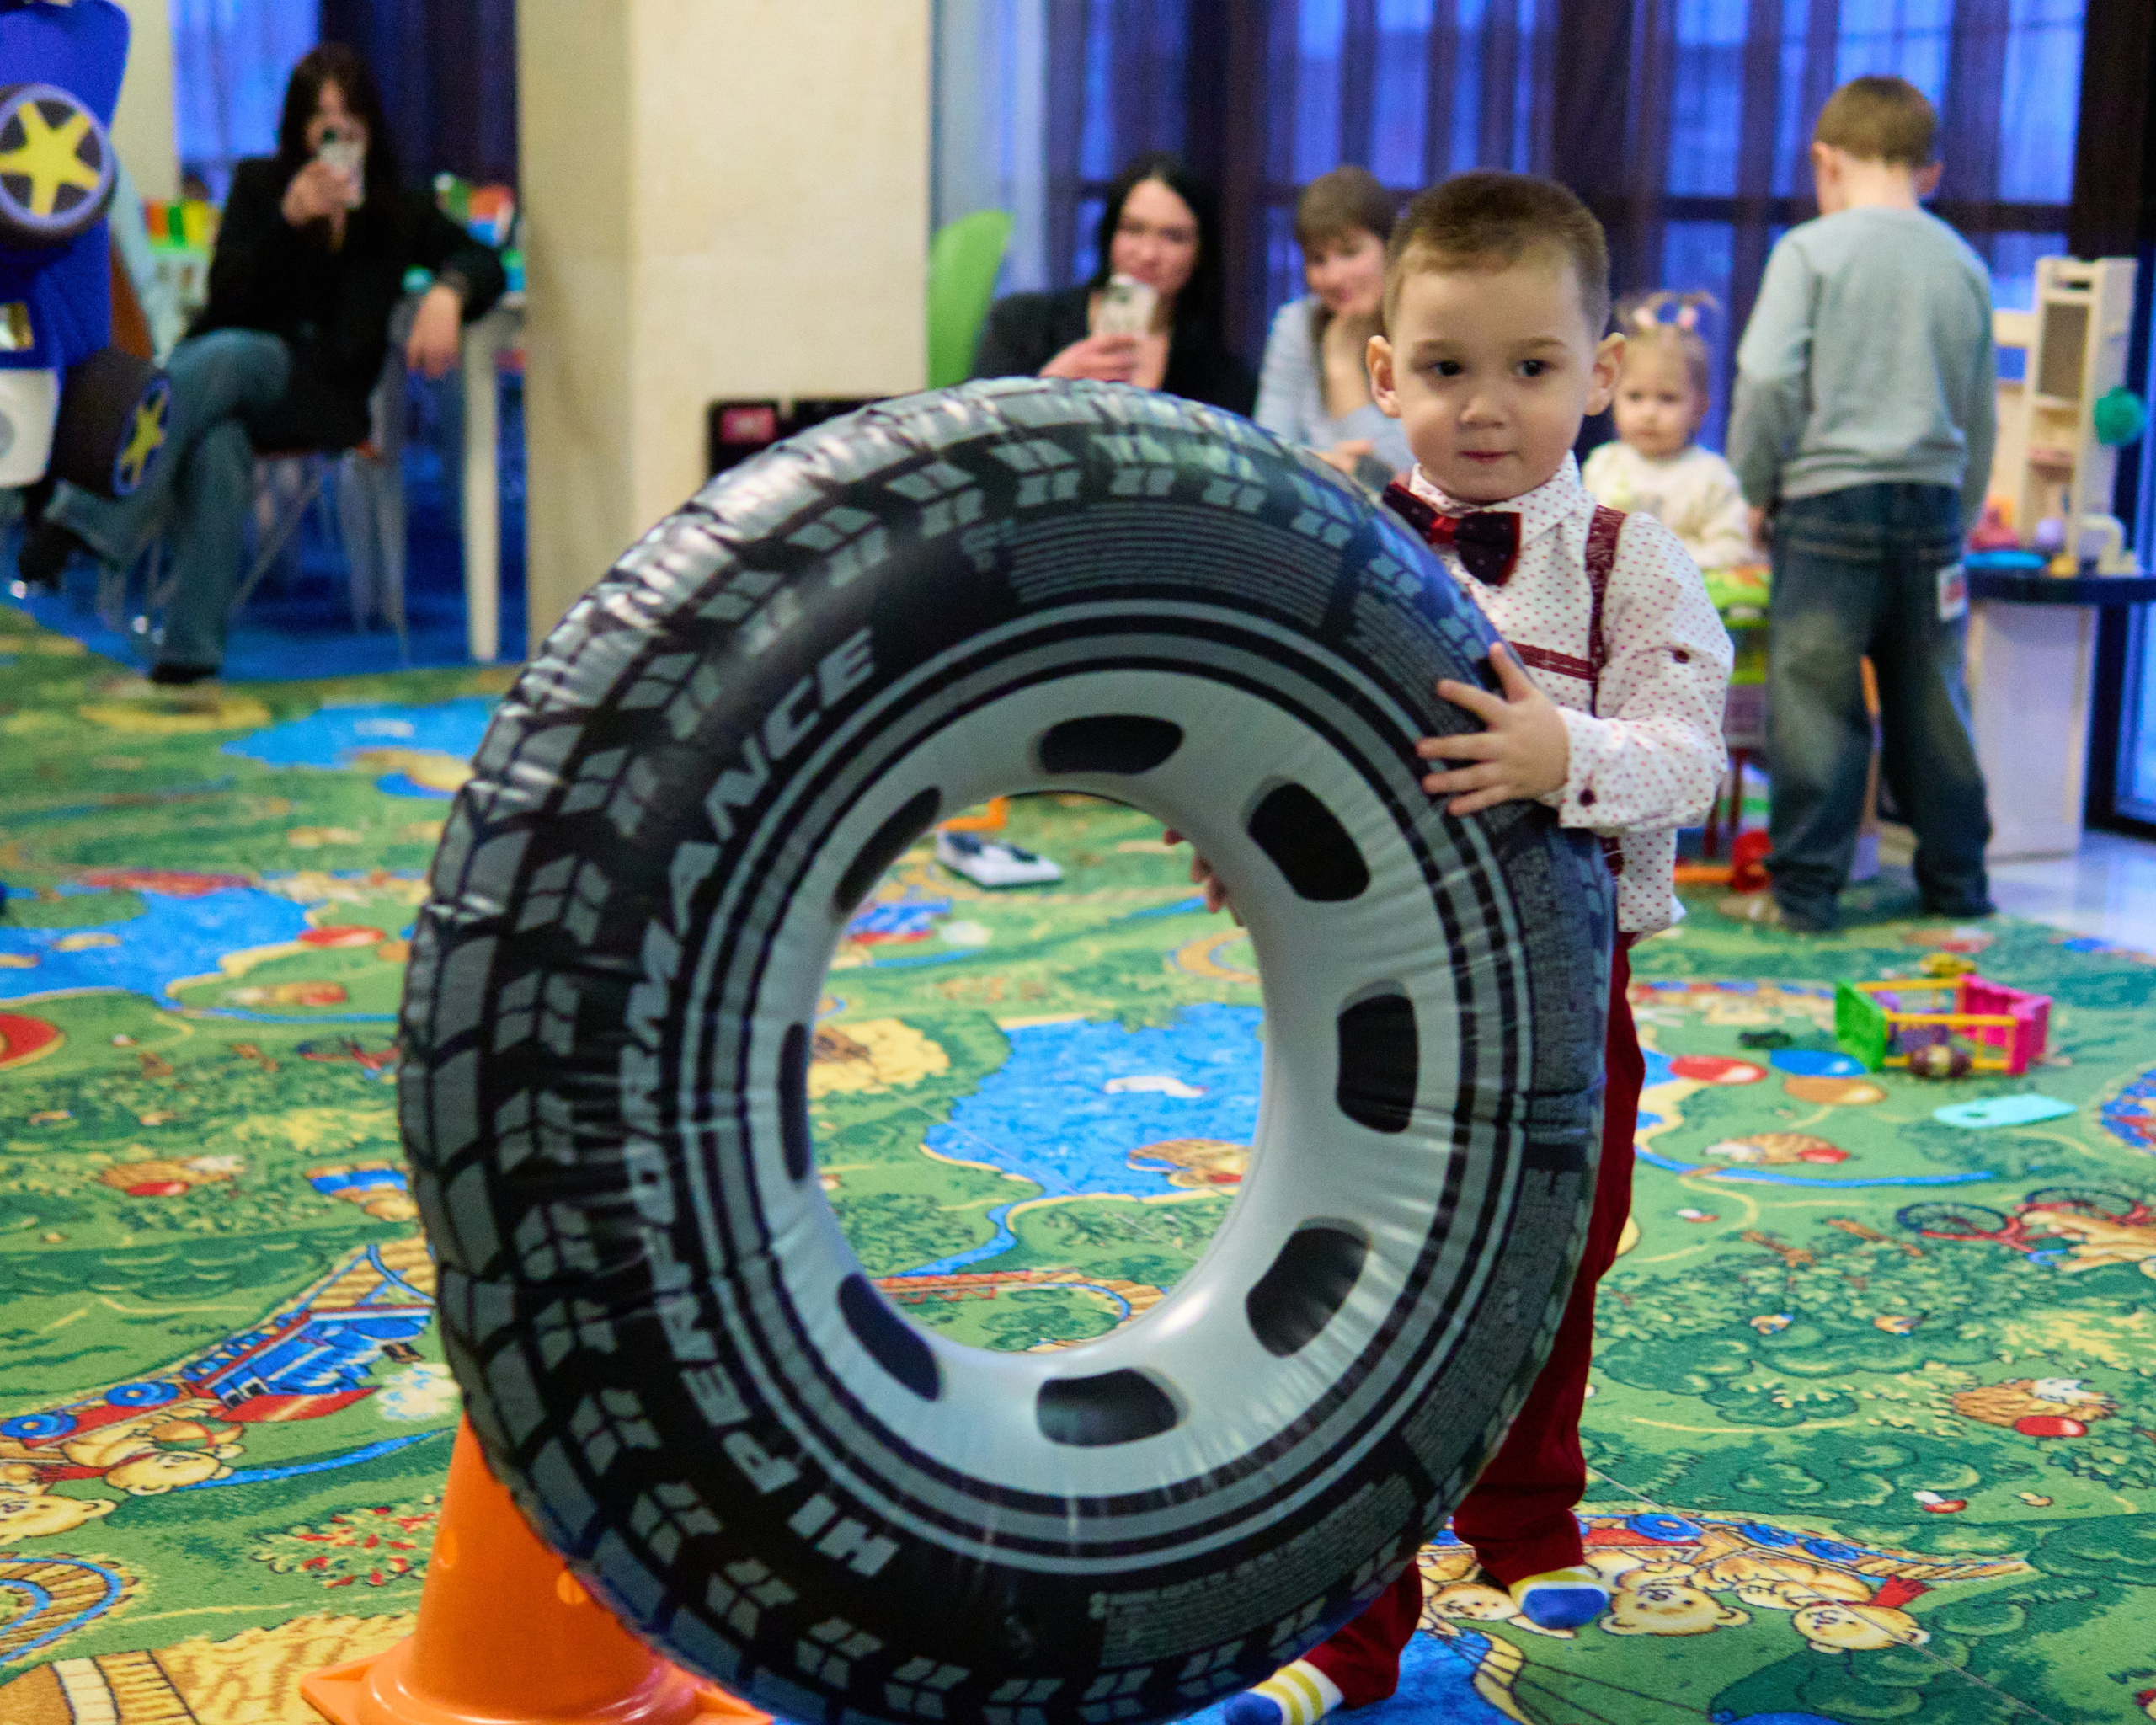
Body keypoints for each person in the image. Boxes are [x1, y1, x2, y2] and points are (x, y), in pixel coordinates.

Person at [1213, 171, 1731, 1725]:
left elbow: (1689, 753)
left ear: (1593, 368)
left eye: (1530, 367)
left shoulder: (1631, 564)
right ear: (1383, 376)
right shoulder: (1354, 541)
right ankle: (1350, 1620)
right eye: (1444, 370)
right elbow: (1276, 727)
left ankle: (1520, 1521)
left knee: (1557, 1258)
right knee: (1378, 1282)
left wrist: (1554, 750)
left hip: (1580, 1000)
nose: (1488, 407)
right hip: (1382, 985)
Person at [19, 43, 506, 684]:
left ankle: (80, 522)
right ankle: (190, 653)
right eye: (321, 121)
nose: (334, 138)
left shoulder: (398, 209)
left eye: (347, 122)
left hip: (320, 396)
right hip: (230, 380)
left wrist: (449, 291)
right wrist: (288, 222)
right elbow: (227, 297)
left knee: (222, 356)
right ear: (298, 126)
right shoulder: (260, 185)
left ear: (368, 127)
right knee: (219, 437)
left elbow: (483, 260)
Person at [1726, 75, 1996, 934]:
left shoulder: (1809, 250)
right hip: (1933, 511)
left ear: (1823, 160)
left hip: (1827, 503)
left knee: (1814, 698)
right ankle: (1957, 883)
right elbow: (1980, 409)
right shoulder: (1962, 264)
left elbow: (1767, 375)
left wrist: (1754, 482)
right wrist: (1962, 505)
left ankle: (1805, 892)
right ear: (1932, 171)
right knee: (1932, 698)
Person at [969, 152, 1255, 414]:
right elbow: (965, 434)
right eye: (1133, 230)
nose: (1148, 254)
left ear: (1200, 253)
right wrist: (1049, 385)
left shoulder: (1223, 377)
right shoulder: (1024, 323)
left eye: (1173, 237)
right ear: (1109, 236)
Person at [1254, 166, 1411, 480]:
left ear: (1390, 248)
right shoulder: (1297, 322)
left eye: (1350, 252)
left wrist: (1341, 360)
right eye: (1317, 260)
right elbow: (1264, 454)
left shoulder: (1420, 328)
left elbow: (1397, 473)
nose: (1334, 277)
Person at [1581, 291, 1754, 568]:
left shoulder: (1711, 475)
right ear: (1612, 396)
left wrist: (1669, 560)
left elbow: (1734, 549)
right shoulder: (1603, 465)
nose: (1649, 414)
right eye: (1635, 396)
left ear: (1700, 405)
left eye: (1668, 398)